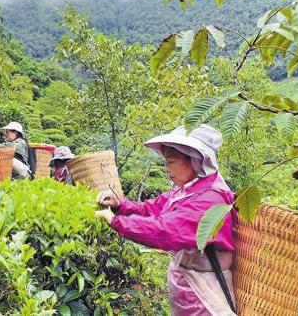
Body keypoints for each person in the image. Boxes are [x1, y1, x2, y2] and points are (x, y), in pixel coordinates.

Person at [95, 125, 236, 316]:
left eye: (171, 162)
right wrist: (121, 205)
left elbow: (166, 230)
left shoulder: (210, 199)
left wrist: (117, 221)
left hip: (206, 292)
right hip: (189, 286)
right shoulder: (188, 189)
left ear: (196, 160)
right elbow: (154, 208)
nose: (166, 168)